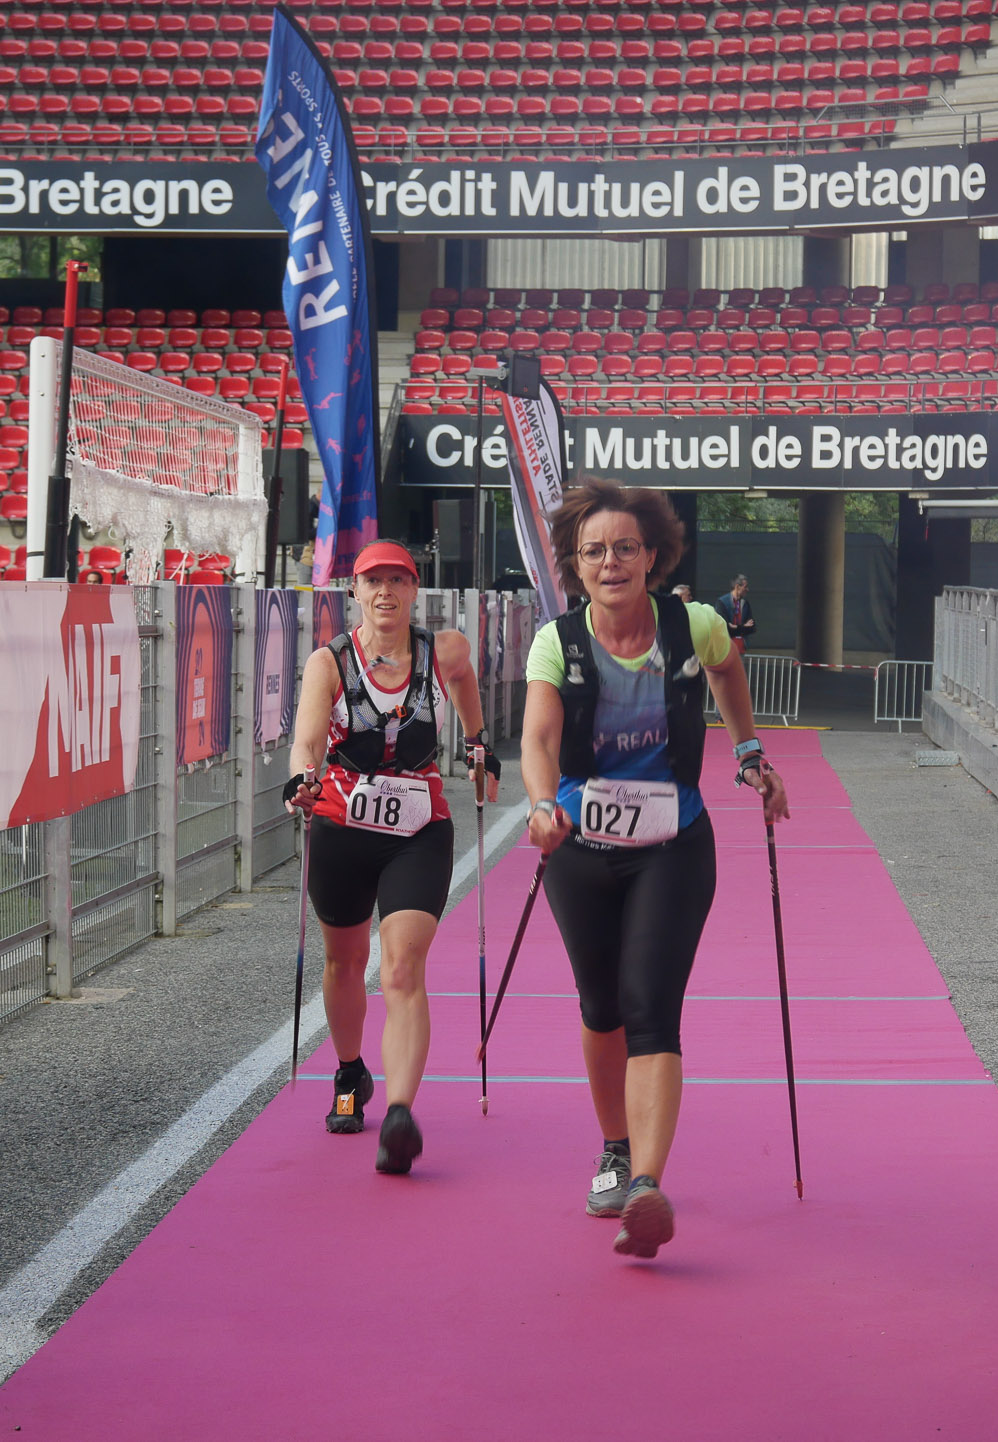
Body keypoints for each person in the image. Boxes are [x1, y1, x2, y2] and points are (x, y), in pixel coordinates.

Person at [522, 480, 790, 1259]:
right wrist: (540, 805)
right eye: (594, 551)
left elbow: (728, 672)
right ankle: (615, 1145)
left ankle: (644, 1183)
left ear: (651, 556)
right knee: (601, 1006)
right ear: (576, 564)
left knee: (650, 1007)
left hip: (674, 846)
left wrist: (749, 751)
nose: (611, 563)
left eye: (625, 548)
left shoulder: (694, 624)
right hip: (580, 848)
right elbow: (539, 739)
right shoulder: (557, 642)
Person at [284, 540, 500, 1174]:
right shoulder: (329, 663)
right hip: (341, 827)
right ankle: (351, 1072)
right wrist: (302, 781)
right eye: (373, 581)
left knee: (402, 966)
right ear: (354, 591)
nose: (385, 592)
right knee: (346, 962)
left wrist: (479, 743)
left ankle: (401, 1113)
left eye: (398, 581)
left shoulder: (444, 652)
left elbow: (465, 685)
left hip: (418, 829)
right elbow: (306, 742)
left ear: (413, 590)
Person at [715, 574, 755, 646]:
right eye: (745, 587)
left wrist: (736, 627)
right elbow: (725, 628)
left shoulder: (745, 603)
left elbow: (752, 628)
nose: (747, 589)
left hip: (741, 647)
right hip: (726, 647)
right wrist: (744, 626)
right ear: (737, 587)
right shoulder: (722, 602)